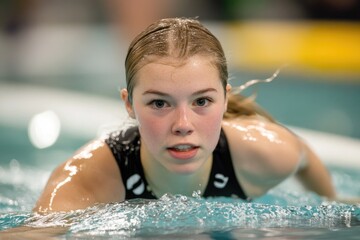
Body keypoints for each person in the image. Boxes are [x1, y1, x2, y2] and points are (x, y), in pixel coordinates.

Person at [33, 17, 336, 213]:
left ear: (226, 99)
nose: (182, 125)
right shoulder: (86, 180)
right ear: (129, 105)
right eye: (160, 104)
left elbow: (304, 158)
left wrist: (331, 202)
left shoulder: (264, 151)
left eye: (202, 101)